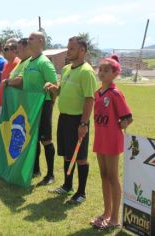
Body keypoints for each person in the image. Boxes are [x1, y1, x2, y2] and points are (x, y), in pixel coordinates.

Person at [46, 36, 98, 204]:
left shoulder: (87, 71)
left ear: (82, 51)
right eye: (68, 48)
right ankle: (67, 186)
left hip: (78, 120)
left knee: (80, 156)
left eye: (71, 49)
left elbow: (90, 99)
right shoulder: (67, 68)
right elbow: (60, 91)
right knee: (68, 154)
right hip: (64, 118)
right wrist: (53, 88)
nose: (68, 51)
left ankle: (81, 192)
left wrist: (83, 123)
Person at [90, 55, 132, 230]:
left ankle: (115, 218)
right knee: (103, 175)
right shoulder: (98, 93)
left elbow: (128, 118)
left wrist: (122, 123)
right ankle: (106, 213)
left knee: (113, 177)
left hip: (112, 140)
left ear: (115, 73)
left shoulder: (115, 93)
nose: (102, 72)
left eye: (107, 70)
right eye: (101, 69)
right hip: (100, 139)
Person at [16, 32, 58, 186]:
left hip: (43, 106)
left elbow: (56, 87)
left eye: (31, 38)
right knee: (32, 138)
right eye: (28, 38)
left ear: (41, 41)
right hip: (30, 106)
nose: (28, 40)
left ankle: (51, 174)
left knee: (45, 139)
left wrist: (50, 103)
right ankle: (35, 169)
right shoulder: (28, 63)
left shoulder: (44, 63)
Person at [0, 38, 20, 118]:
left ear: (14, 50)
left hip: (10, 104)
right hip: (1, 102)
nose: (3, 51)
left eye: (6, 49)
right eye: (4, 49)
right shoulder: (6, 64)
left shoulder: (18, 63)